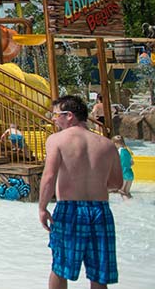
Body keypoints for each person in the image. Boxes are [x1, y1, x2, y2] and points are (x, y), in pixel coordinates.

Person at [39, 95, 123, 288]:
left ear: (69, 115)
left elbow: (49, 177)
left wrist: (42, 208)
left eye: (55, 115)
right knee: (99, 274)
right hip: (100, 211)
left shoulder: (57, 140)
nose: (53, 119)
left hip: (70, 210)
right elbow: (116, 183)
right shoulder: (107, 144)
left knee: (61, 268)